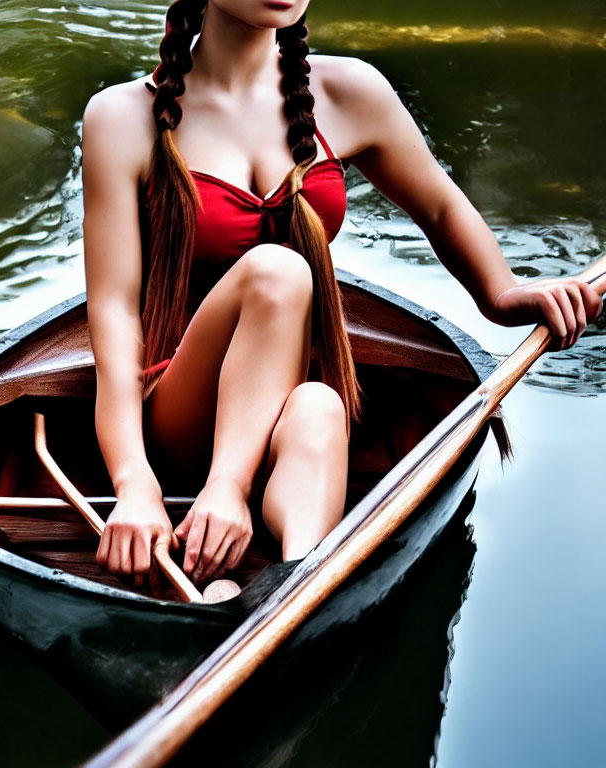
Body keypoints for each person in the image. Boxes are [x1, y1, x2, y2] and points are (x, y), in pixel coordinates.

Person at [81, 0, 602, 586]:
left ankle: (284, 590)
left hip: (293, 402)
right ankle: (224, 493)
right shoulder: (122, 117)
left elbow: (438, 202)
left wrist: (502, 293)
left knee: (322, 407)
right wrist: (134, 484)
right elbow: (115, 312)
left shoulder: (348, 90)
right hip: (182, 414)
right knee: (276, 271)